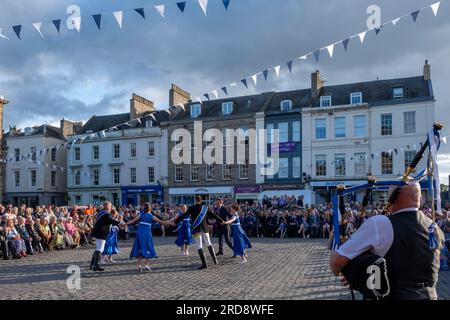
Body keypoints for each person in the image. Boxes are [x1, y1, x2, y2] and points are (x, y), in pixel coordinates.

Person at [330, 183, 444, 300]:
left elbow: (336, 262)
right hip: (430, 295)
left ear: (391, 199)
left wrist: (354, 275)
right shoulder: (435, 227)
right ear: (420, 198)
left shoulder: (380, 224)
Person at [170, 195, 224, 270]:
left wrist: (175, 222)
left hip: (196, 229)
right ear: (201, 200)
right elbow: (214, 215)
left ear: (195, 200)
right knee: (209, 244)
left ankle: (204, 264)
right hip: (205, 229)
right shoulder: (206, 208)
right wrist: (221, 221)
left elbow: (184, 215)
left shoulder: (192, 208)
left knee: (199, 246)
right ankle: (215, 260)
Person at [125, 202, 169, 272]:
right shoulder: (152, 216)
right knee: (147, 247)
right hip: (147, 233)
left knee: (140, 247)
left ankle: (139, 265)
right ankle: (146, 265)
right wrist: (170, 222)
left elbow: (132, 221)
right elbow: (162, 222)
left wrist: (125, 224)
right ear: (150, 208)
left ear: (144, 208)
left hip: (140, 233)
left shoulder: (141, 215)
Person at [90, 202, 122, 272]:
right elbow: (110, 220)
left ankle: (93, 265)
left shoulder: (101, 212)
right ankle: (95, 265)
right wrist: (119, 223)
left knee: (98, 248)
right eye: (110, 206)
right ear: (107, 207)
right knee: (100, 249)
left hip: (98, 232)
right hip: (101, 233)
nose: (111, 207)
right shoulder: (106, 214)